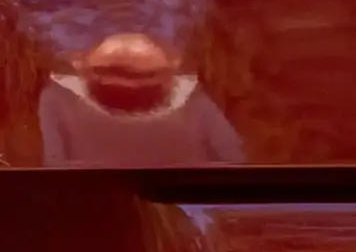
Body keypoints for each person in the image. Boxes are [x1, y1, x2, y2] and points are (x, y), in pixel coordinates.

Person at [38, 32, 245, 168]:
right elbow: (234, 161)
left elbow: (234, 162)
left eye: (142, 75)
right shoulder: (57, 99)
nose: (128, 84)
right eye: (110, 73)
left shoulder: (196, 101)